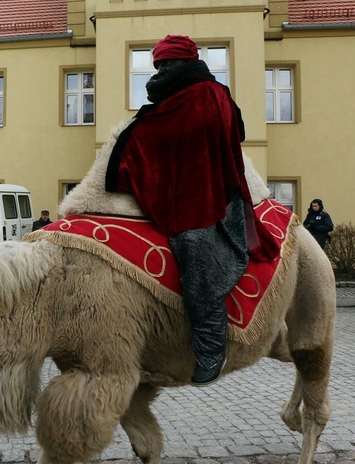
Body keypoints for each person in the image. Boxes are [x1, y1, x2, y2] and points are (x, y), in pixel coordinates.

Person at [105, 34, 279, 386]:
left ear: (186, 62)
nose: (162, 70)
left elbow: (207, 132)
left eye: (169, 63)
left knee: (196, 251)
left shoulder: (210, 95)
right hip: (175, 191)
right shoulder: (170, 100)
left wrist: (146, 131)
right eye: (159, 65)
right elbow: (160, 131)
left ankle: (211, 347)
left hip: (209, 197)